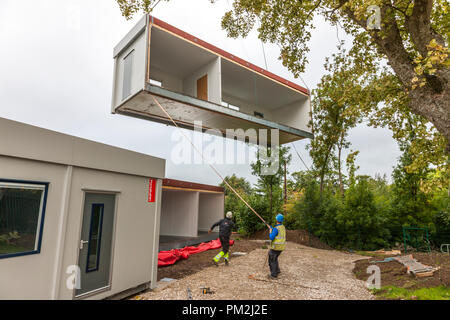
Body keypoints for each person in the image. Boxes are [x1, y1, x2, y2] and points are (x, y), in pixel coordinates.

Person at [268, 214, 286, 279]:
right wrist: (271, 228)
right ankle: (277, 270)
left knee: (272, 260)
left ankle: (273, 275)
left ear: (276, 220)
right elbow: (277, 231)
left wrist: (270, 231)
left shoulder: (276, 229)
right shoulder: (282, 227)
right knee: (275, 258)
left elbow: (271, 237)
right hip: (281, 247)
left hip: (275, 247)